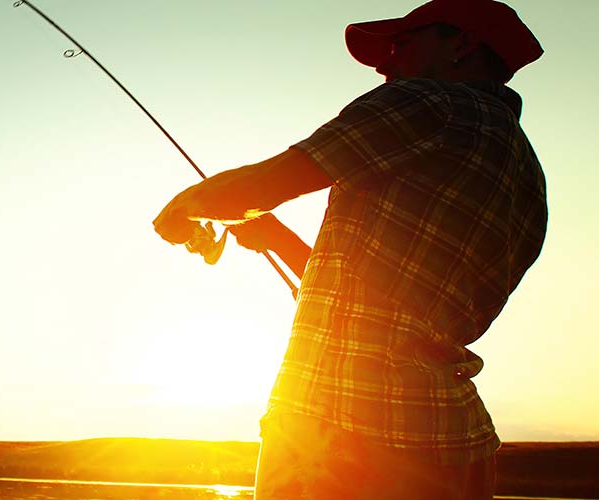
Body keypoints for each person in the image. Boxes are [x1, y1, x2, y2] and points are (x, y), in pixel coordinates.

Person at [150, 1, 547, 498]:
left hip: (340, 432)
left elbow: (276, 179)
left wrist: (185, 207)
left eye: (403, 43)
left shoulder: (429, 102)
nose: (386, 64)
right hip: (455, 441)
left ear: (462, 45)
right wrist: (275, 237)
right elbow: (377, 301)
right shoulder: (527, 171)